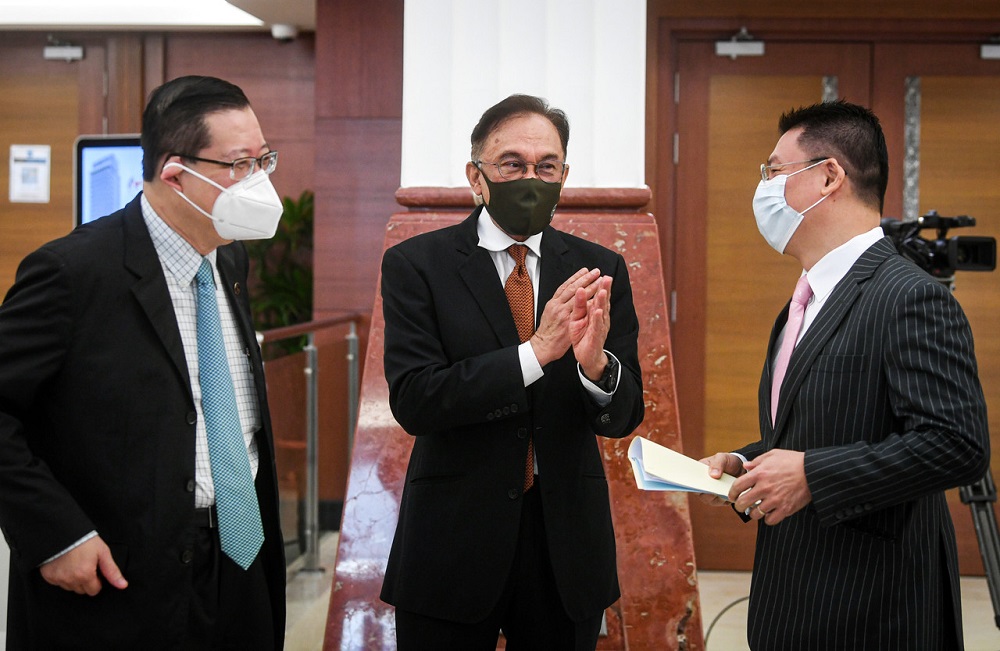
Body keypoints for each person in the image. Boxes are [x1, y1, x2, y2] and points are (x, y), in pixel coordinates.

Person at [0, 75, 287, 649]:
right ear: (175, 173)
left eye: (264, 160)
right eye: (238, 165)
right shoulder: (73, 274)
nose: (258, 182)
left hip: (238, 563)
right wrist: (55, 535)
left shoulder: (229, 264)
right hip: (117, 582)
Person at [702, 100, 989, 649]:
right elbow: (822, 430)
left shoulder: (910, 297)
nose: (763, 188)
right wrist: (746, 462)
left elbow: (958, 444)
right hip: (790, 598)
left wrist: (814, 475)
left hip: (872, 607)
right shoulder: (799, 305)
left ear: (828, 176)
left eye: (774, 171)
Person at [379, 94, 645, 649]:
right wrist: (538, 352)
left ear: (564, 175)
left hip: (564, 544)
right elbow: (415, 399)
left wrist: (596, 367)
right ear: (476, 178)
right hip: (453, 539)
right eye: (512, 165)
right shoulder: (416, 265)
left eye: (546, 166)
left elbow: (624, 417)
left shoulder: (600, 267)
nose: (531, 178)